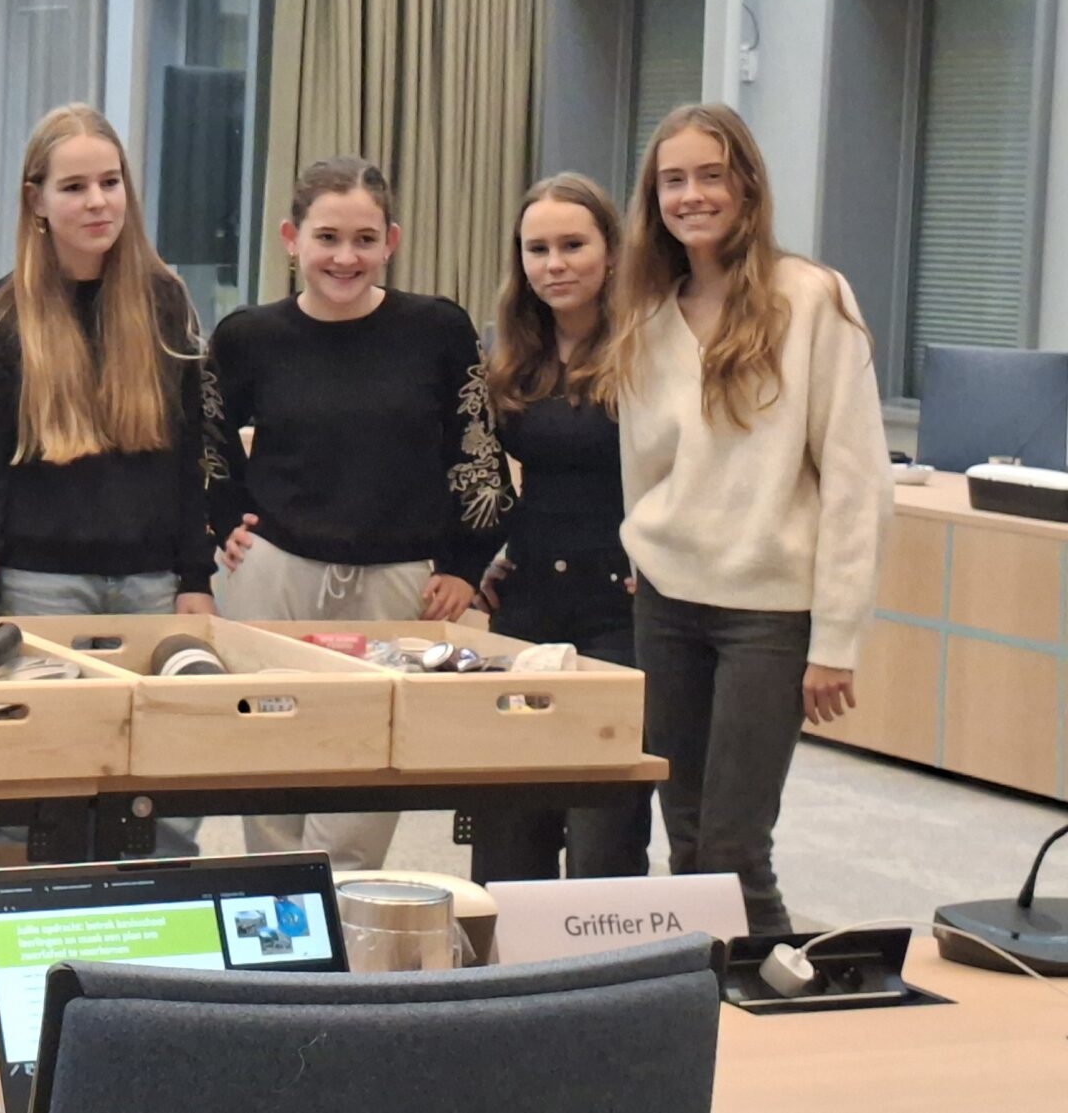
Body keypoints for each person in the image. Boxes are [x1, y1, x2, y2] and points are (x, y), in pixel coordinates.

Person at [612, 102, 891, 934]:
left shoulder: (810, 298)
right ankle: (698, 999)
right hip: (667, 602)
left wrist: (836, 638)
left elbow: (857, 480)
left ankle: (776, 993)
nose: (691, 195)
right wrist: (644, 555)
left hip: (768, 614)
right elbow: (643, 466)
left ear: (747, 186)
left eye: (711, 175)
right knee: (686, 839)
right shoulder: (648, 309)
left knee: (735, 848)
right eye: (673, 180)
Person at [205, 156, 511, 871]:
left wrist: (465, 565)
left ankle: (346, 907)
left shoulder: (437, 329)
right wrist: (225, 521)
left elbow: (476, 448)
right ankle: (274, 903)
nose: (345, 257)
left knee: (370, 760)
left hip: (398, 582)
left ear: (391, 242)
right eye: (328, 237)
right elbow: (206, 438)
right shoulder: (248, 335)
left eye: (365, 239)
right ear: (291, 238)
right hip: (274, 574)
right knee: (269, 758)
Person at [0, 103, 215, 619]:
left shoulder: (165, 301)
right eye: (73, 187)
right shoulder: (1, 313)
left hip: (153, 580)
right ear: (37, 200)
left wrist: (196, 576)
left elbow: (190, 455)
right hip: (36, 584)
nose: (97, 202)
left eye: (110, 182)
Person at [470, 172, 651, 883]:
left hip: (621, 608)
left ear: (611, 251)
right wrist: (478, 557)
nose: (555, 265)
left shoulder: (649, 346)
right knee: (510, 829)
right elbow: (481, 475)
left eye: (573, 245)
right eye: (537, 249)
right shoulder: (510, 353)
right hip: (526, 602)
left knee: (605, 834)